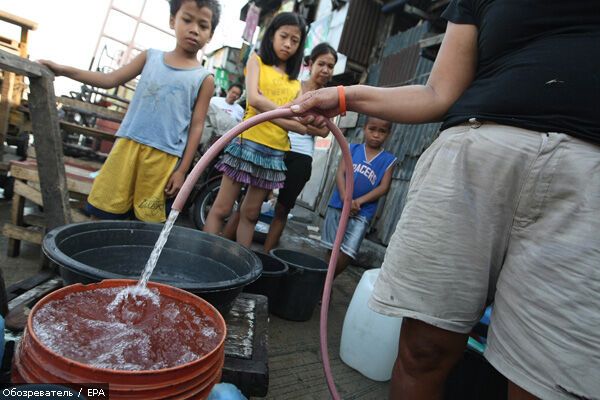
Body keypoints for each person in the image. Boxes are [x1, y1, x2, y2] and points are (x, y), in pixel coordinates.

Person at [290, 1, 600, 399]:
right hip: (471, 157)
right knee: (423, 350)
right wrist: (344, 96)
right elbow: (438, 92)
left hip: (587, 187)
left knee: (544, 381)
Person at [39, 0, 220, 223]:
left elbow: (197, 126)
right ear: (172, 20)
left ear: (210, 35)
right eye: (187, 20)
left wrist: (182, 171)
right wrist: (63, 70)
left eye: (203, 26)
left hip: (163, 160)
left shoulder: (204, 78)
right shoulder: (150, 57)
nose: (194, 29)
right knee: (102, 214)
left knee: (146, 225)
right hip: (127, 148)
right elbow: (109, 79)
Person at [203, 12, 327, 247]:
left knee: (250, 214)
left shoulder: (294, 82)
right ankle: (204, 258)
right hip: (246, 142)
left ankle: (239, 268)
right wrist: (295, 123)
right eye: (284, 36)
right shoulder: (256, 61)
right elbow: (255, 100)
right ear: (271, 35)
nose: (288, 44)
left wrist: (314, 126)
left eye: (295, 40)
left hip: (274, 153)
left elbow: (300, 116)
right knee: (222, 207)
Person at [263, 43, 338, 252]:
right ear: (310, 63)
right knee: (253, 203)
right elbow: (278, 114)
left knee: (282, 209)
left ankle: (266, 257)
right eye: (321, 63)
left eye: (330, 66)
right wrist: (306, 125)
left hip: (302, 157)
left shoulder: (328, 98)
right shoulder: (293, 85)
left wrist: (298, 124)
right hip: (276, 147)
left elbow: (324, 132)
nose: (325, 70)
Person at [321, 116, 396, 277]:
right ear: (364, 129)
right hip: (338, 204)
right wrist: (345, 197)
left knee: (348, 252)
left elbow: (384, 187)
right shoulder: (351, 149)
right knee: (332, 248)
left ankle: (324, 282)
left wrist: (358, 202)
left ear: (388, 134)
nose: (376, 135)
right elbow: (340, 174)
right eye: (372, 129)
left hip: (363, 211)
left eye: (382, 131)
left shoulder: (388, 160)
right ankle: (324, 287)